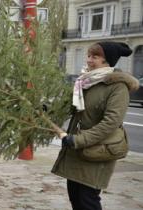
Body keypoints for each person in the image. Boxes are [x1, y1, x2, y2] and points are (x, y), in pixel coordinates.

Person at [52, 41, 140, 210]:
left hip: (97, 151)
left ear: (107, 61)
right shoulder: (85, 82)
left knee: (88, 201)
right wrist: (46, 109)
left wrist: (78, 140)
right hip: (77, 151)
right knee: (75, 198)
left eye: (95, 57)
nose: (89, 60)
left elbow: (110, 123)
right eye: (89, 56)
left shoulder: (117, 87)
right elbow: (69, 108)